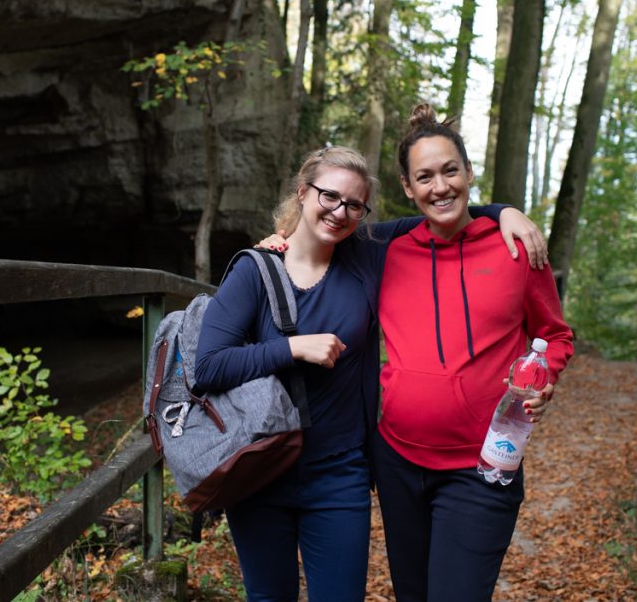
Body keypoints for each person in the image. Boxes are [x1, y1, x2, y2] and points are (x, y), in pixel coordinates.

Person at [194, 145, 546, 602]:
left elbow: (441, 208)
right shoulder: (255, 270)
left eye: (354, 205)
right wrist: (291, 348)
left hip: (339, 472)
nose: (340, 212)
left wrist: (504, 212)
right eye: (329, 197)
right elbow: (208, 366)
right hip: (261, 465)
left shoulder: (366, 255)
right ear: (303, 193)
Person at [372, 104, 573, 601]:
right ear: (407, 187)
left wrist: (542, 378)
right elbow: (322, 230)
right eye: (424, 177)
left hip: (485, 465)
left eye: (449, 171)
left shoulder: (517, 250)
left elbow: (556, 334)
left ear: (469, 172)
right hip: (397, 461)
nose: (439, 187)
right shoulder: (385, 250)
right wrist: (278, 239)